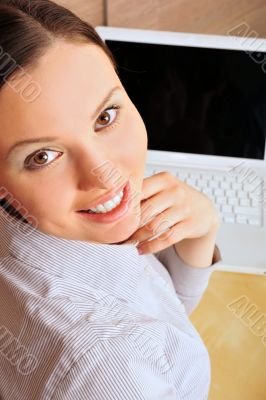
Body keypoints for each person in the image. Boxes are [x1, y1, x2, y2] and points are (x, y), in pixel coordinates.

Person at [0, 0, 222, 399]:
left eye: (105, 116)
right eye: (42, 157)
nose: (104, 174)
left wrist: (199, 236)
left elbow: (156, 328)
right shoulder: (109, 368)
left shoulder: (23, 222)